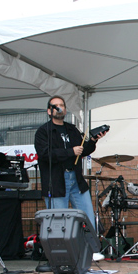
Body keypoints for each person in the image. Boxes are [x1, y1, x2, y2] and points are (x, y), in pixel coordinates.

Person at [34, 96, 107, 260]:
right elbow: (45, 154)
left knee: (87, 214)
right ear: (49, 111)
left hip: (76, 179)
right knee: (57, 220)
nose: (59, 108)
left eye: (62, 105)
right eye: (55, 106)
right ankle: (61, 255)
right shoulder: (43, 131)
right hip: (57, 181)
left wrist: (93, 140)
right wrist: (70, 152)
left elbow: (83, 150)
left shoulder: (71, 129)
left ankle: (91, 249)